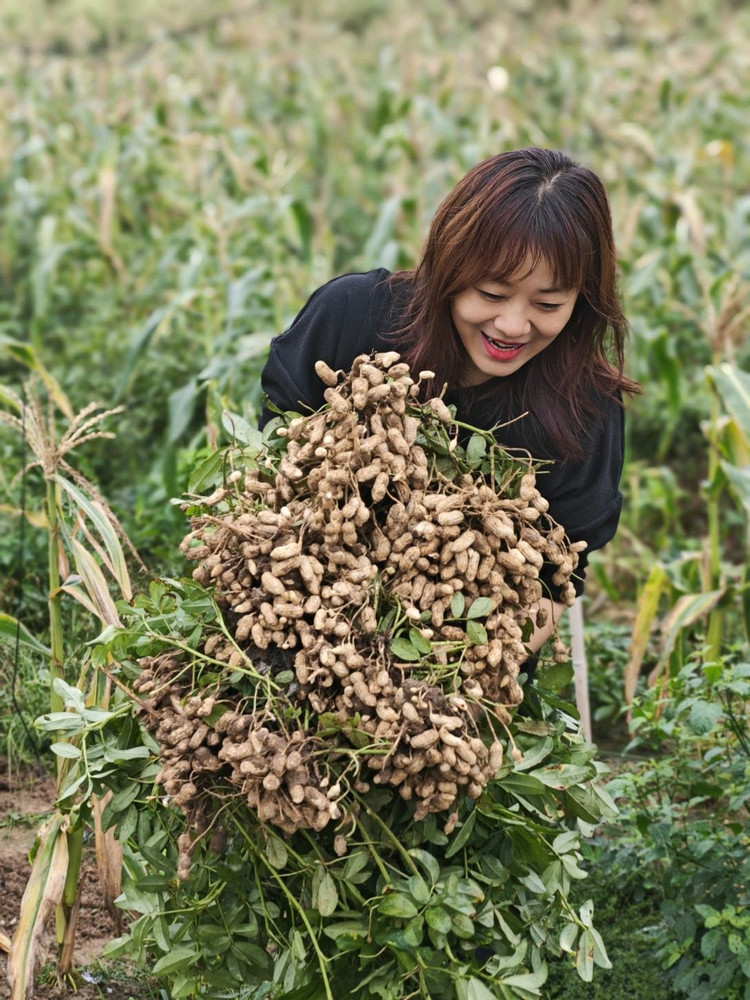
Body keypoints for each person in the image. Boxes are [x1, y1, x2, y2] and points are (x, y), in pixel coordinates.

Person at [259, 147, 638, 664]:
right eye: (491, 292)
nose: (512, 326)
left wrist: (455, 685)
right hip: (291, 621)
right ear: (449, 266)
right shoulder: (353, 318)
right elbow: (273, 457)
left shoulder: (585, 406)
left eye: (548, 304)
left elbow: (555, 578)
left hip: (458, 659)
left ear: (583, 300)